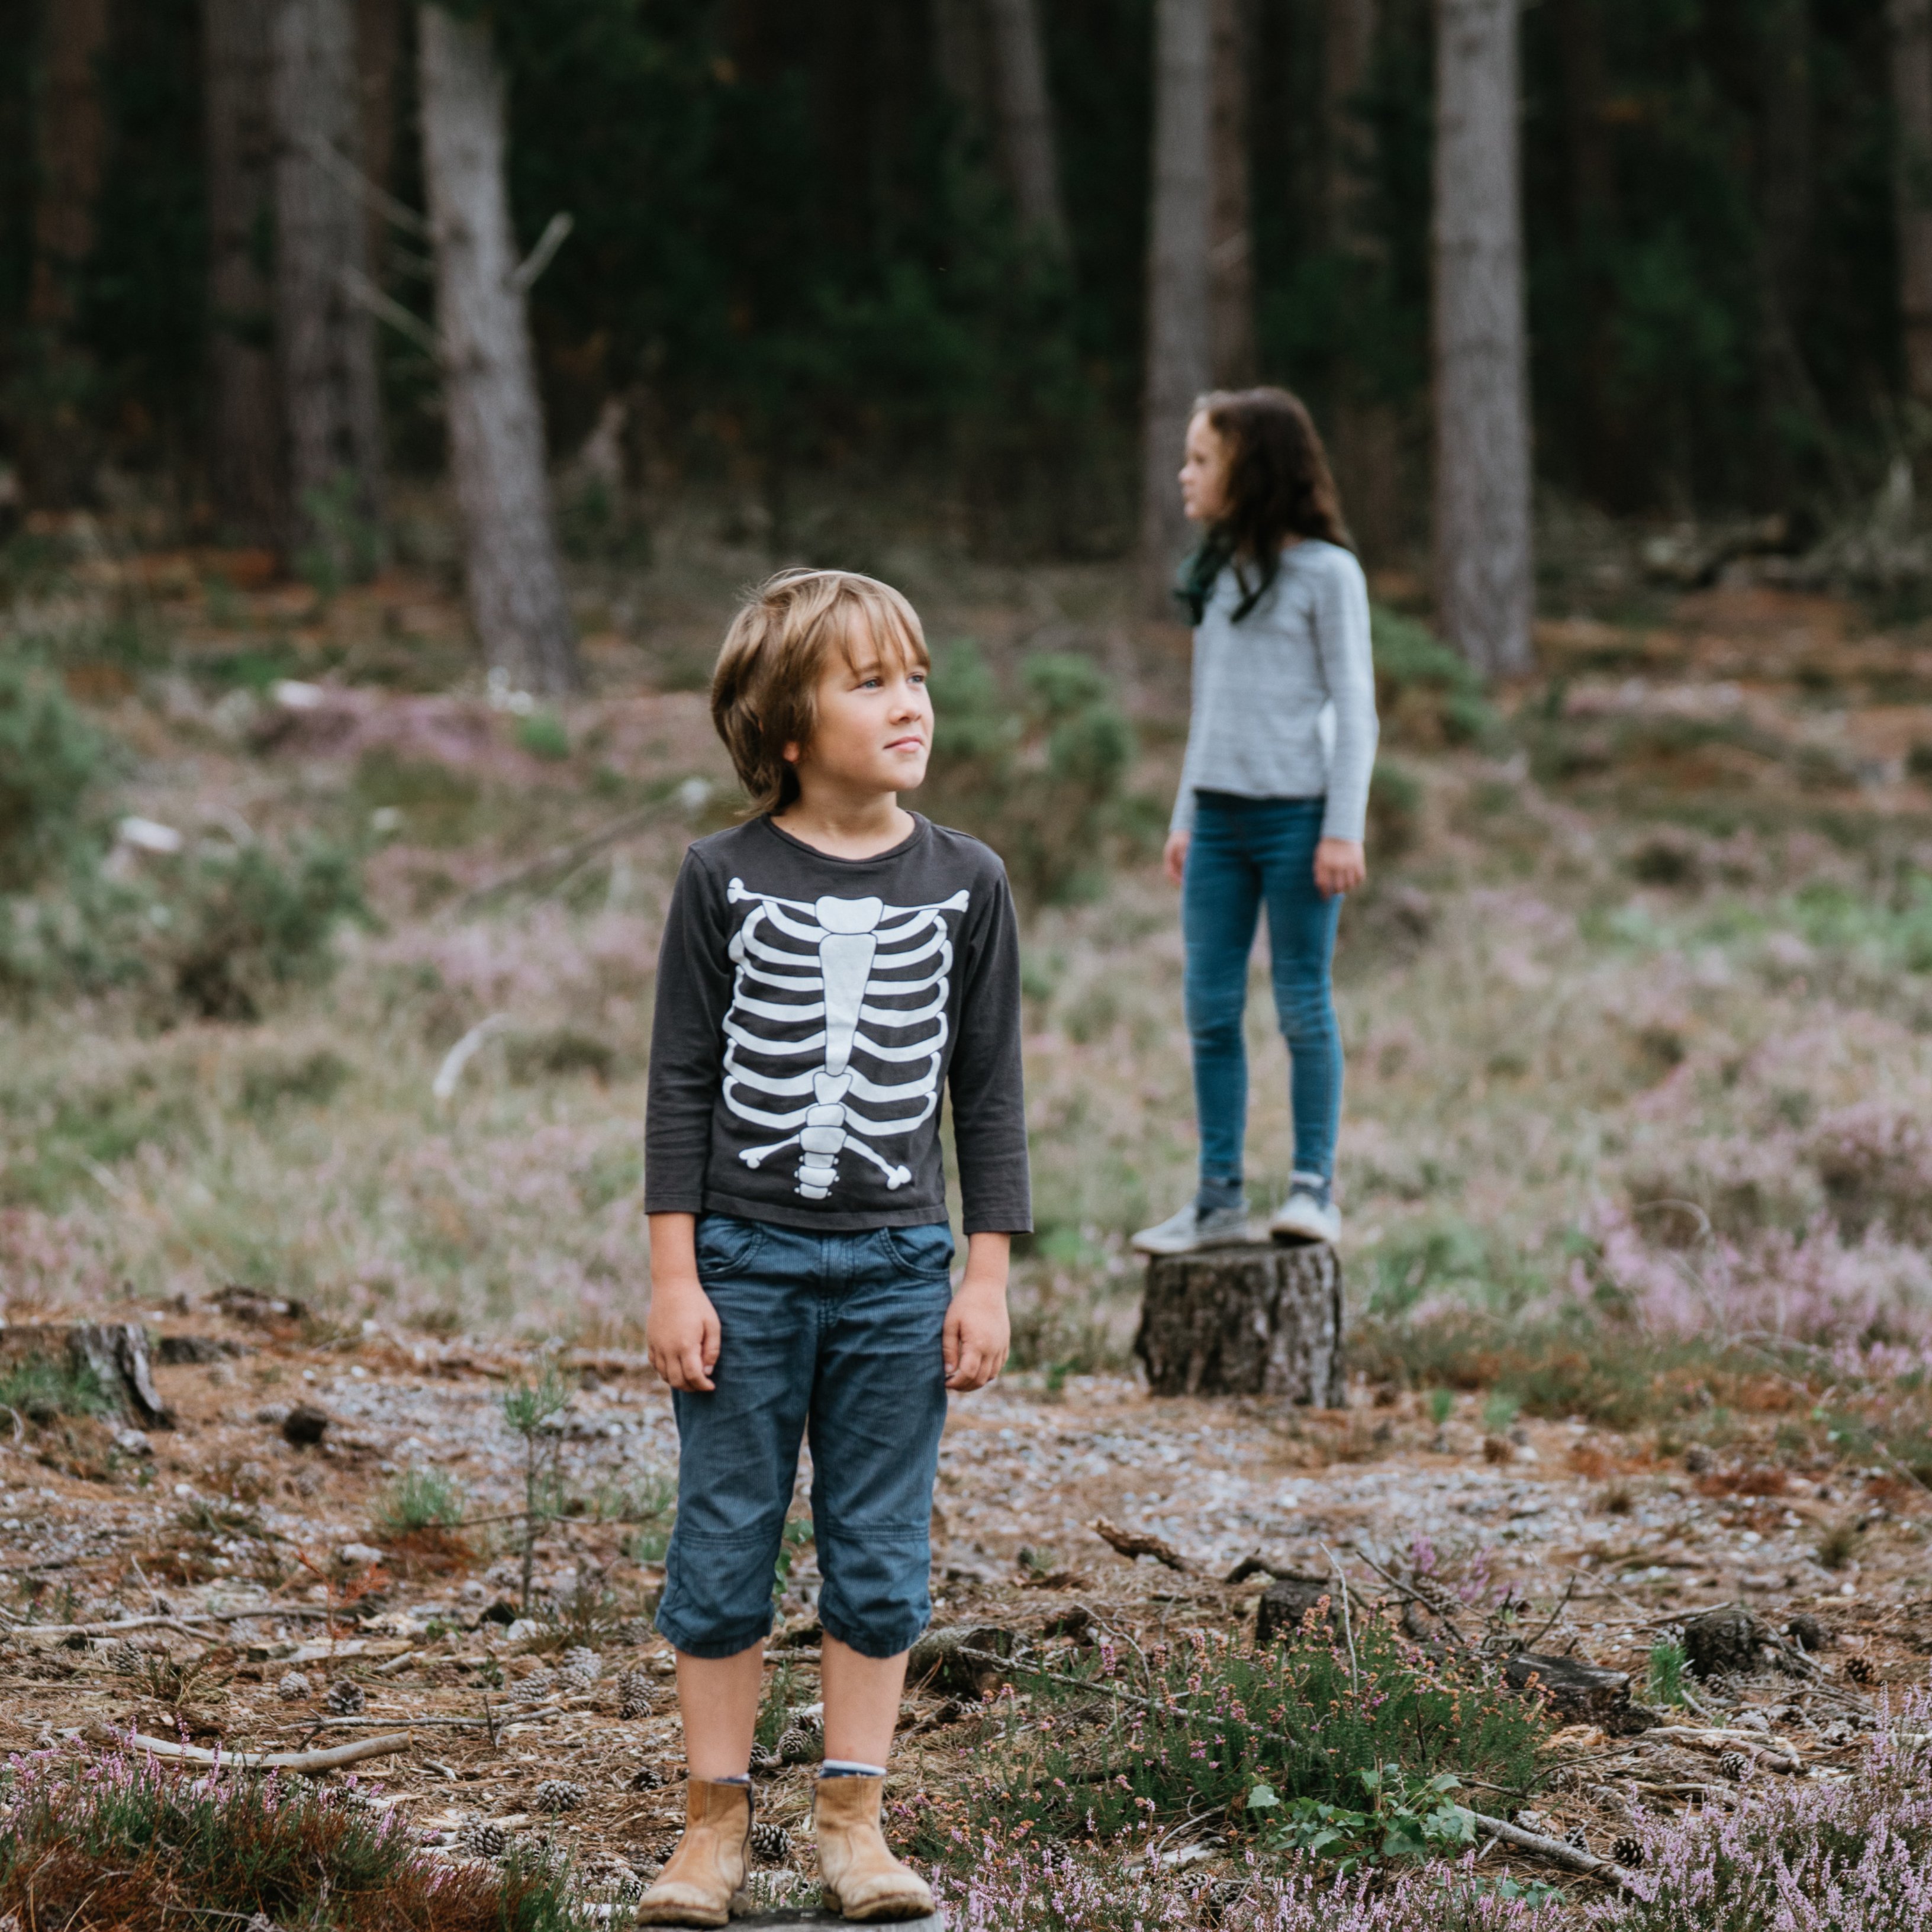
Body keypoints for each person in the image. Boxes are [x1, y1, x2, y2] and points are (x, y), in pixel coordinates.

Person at [638, 567, 1030, 1925]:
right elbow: (681, 1082)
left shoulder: (968, 883)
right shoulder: (721, 877)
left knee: (878, 1550)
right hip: (743, 1263)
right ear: (786, 728)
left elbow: (989, 1092)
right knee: (723, 1537)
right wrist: (674, 1272)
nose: (909, 702)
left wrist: (985, 1271)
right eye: (869, 682)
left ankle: (854, 1822)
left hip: (897, 1268)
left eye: (915, 675)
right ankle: (713, 1829)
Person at [1132, 388, 1378, 1258]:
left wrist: (1342, 827)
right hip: (1219, 827)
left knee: (1303, 1006)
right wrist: (1184, 811)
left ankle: (1313, 1191)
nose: (1185, 474)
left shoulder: (1328, 575)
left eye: (1201, 459)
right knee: (1209, 1010)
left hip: (1301, 823)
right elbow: (1213, 708)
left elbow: (1356, 707)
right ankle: (1216, 1200)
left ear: (1251, 468)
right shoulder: (1219, 572)